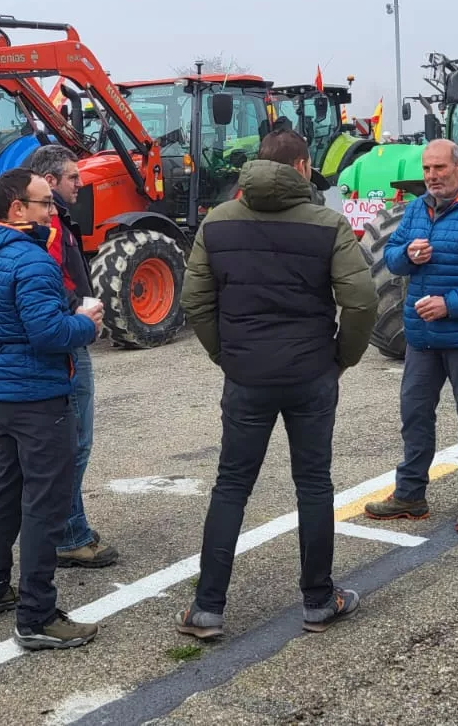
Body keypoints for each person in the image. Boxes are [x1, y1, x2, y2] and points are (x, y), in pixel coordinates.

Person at [175, 130, 378, 639]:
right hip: (311, 374)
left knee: (231, 486)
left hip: (246, 377)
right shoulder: (327, 224)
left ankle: (207, 609)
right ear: (304, 167)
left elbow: (196, 301)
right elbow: (362, 302)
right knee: (313, 484)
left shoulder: (217, 223)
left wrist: (227, 355)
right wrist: (341, 359)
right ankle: (318, 600)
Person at [0, 167, 103, 651]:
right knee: (45, 505)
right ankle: (37, 615)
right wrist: (86, 325)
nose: (54, 211)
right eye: (45, 203)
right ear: (18, 209)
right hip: (38, 394)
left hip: (0, 390)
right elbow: (48, 334)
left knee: (8, 489)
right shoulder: (31, 259)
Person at [364, 139, 458, 533]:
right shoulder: (416, 210)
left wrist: (449, 304)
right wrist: (407, 256)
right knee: (414, 415)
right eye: (427, 169)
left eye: (440, 168)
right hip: (423, 338)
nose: (432, 176)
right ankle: (411, 495)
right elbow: (393, 255)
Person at [23, 144, 117, 569]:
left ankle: (68, 525)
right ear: (51, 181)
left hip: (55, 335)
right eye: (73, 177)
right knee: (76, 441)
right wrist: (77, 311)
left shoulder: (35, 222)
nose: (81, 182)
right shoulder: (52, 224)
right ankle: (67, 533)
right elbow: (47, 277)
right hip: (67, 335)